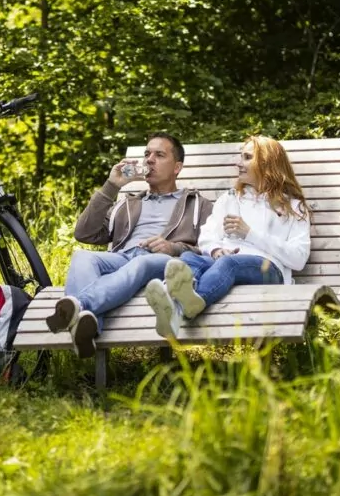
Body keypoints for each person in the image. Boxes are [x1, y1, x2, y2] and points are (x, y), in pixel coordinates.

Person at [46, 133, 213, 357]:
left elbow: (210, 248)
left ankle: (77, 307)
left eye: (159, 155)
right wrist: (111, 186)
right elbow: (84, 233)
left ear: (177, 167)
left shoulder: (197, 204)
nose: (149, 160)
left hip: (161, 260)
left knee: (142, 262)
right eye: (147, 154)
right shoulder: (128, 203)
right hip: (122, 258)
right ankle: (87, 327)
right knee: (82, 257)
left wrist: (174, 248)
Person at [144, 135, 312, 338]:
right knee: (189, 258)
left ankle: (182, 308)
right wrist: (215, 249)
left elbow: (299, 258)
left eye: (247, 157)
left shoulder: (293, 207)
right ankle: (175, 309)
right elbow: (207, 236)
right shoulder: (230, 199)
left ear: (266, 163)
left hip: (270, 269)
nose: (238, 163)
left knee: (229, 263)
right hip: (227, 261)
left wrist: (250, 234)